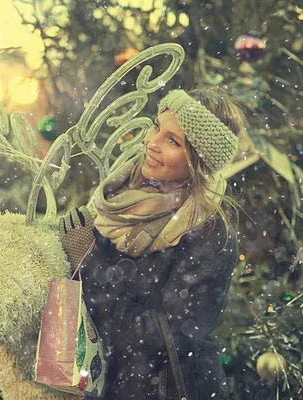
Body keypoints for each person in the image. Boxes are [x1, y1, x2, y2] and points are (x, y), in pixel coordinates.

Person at [60, 87, 246, 400]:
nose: (151, 142)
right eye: (156, 126)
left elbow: (158, 337)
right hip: (114, 383)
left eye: (173, 141)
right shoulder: (121, 200)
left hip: (167, 389)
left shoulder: (210, 232)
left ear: (198, 163)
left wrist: (88, 262)